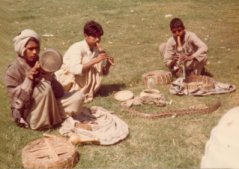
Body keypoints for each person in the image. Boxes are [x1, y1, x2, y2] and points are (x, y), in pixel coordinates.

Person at [4, 29, 85, 130]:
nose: (34, 52)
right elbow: (16, 101)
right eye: (30, 49)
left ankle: (52, 116)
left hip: (49, 103)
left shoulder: (42, 61)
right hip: (29, 110)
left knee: (78, 96)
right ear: (22, 49)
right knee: (44, 89)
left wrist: (48, 76)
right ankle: (39, 121)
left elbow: (59, 93)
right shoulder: (12, 70)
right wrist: (29, 80)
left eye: (37, 48)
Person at [55, 20, 114, 103]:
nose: (98, 40)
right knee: (90, 61)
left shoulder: (96, 49)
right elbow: (74, 69)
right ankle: (78, 91)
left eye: (99, 37)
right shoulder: (77, 47)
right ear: (86, 36)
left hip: (83, 81)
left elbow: (103, 73)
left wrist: (107, 65)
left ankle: (88, 89)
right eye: (94, 37)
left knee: (95, 62)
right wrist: (95, 60)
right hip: (68, 79)